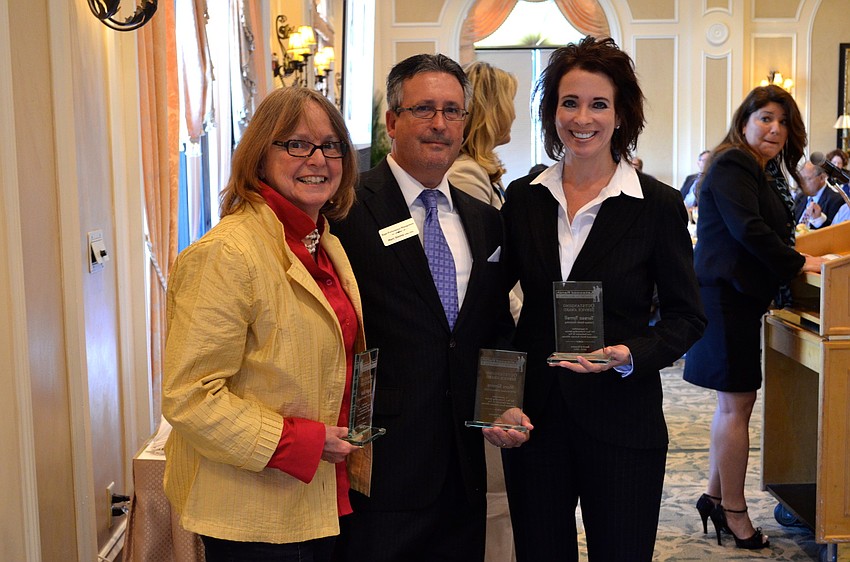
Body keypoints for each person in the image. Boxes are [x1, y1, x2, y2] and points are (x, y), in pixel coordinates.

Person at [500, 36, 706, 562]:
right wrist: (496, 399)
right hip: (536, 419)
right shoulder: (524, 198)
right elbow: (490, 308)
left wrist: (631, 354)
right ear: (551, 113)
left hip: (623, 420)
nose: (582, 118)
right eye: (569, 102)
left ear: (620, 115)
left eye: (598, 104)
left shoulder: (656, 206)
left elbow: (686, 317)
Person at [330, 53, 529, 562]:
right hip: (382, 463)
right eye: (424, 110)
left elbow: (492, 330)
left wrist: (499, 405)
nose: (440, 124)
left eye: (453, 111)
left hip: (464, 468)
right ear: (393, 121)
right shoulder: (346, 210)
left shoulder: (486, 221)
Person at [161, 87, 367, 562]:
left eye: (331, 145)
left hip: (319, 498)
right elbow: (190, 396)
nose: (317, 159)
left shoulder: (323, 243)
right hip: (254, 515)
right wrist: (305, 441)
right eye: (296, 143)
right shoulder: (227, 253)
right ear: (259, 156)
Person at [683, 85, 827, 550]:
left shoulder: (756, 169)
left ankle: (712, 496)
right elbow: (749, 229)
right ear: (744, 120)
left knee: (733, 406)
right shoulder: (732, 163)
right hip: (726, 298)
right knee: (736, 406)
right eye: (765, 118)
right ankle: (734, 512)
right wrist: (797, 262)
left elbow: (766, 226)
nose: (775, 129)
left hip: (737, 297)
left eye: (783, 123)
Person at [447, 59, 520, 562]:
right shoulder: (466, 178)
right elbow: (482, 278)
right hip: (481, 348)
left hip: (495, 342)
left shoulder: (484, 173)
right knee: (492, 490)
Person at [448, 60, 518, 208]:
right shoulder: (465, 174)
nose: (514, 115)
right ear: (492, 113)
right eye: (510, 104)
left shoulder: (479, 167)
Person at [793, 160, 844, 229]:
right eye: (800, 179)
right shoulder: (800, 197)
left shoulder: (836, 200)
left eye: (806, 179)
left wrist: (819, 219)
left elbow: (834, 232)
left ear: (822, 178)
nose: (801, 183)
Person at [680, 150, 710, 221]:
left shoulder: (712, 180)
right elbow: (680, 195)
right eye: (705, 160)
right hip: (683, 212)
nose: (708, 163)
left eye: (710, 160)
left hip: (697, 215)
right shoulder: (690, 178)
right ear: (698, 163)